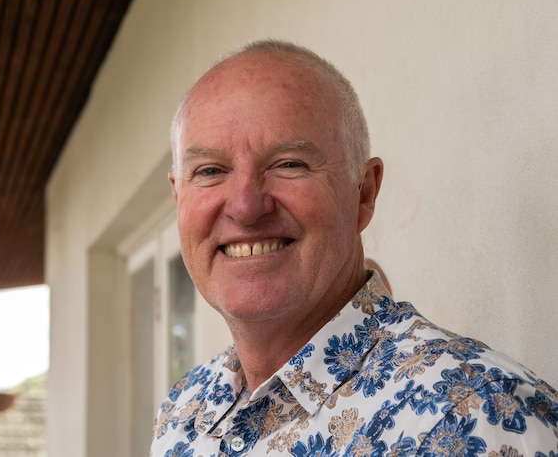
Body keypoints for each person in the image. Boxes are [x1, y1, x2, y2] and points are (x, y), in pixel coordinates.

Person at [150, 39, 558, 456]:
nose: (246, 206)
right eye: (210, 170)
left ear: (364, 193)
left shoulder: (473, 415)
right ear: (178, 196)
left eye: (289, 163)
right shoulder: (184, 410)